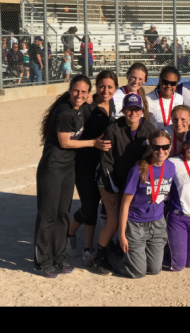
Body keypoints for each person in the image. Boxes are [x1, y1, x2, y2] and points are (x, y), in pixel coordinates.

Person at [34, 75, 111, 278]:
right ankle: (42, 260)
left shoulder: (81, 109)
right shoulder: (64, 112)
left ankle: (59, 257)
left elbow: (98, 109)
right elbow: (66, 142)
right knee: (48, 215)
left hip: (68, 168)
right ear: (70, 90)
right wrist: (93, 143)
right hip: (52, 169)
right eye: (76, 90)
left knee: (62, 214)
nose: (79, 95)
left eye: (83, 92)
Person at [92, 92, 156, 275]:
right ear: (123, 110)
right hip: (109, 180)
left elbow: (150, 160)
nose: (133, 113)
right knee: (114, 220)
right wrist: (113, 191)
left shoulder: (149, 130)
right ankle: (100, 257)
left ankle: (121, 250)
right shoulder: (113, 129)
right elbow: (106, 163)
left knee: (129, 219)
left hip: (132, 183)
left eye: (136, 109)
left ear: (142, 111)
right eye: (129, 109)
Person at [67, 69, 118, 263]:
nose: (106, 90)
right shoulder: (88, 105)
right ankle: (70, 233)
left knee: (95, 205)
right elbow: (70, 105)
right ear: (96, 87)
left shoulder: (112, 104)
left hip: (103, 165)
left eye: (110, 87)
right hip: (85, 163)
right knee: (88, 206)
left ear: (115, 88)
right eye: (102, 86)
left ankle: (87, 248)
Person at [118, 129, 175, 279]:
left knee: (155, 269)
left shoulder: (170, 167)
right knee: (138, 272)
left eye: (165, 147)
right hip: (136, 224)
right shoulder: (137, 170)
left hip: (157, 224)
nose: (160, 151)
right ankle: (110, 257)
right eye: (156, 147)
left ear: (170, 147)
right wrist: (122, 235)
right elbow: (125, 204)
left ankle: (136, 255)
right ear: (151, 148)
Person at [164, 127, 190, 271]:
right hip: (178, 218)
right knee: (178, 266)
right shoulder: (172, 162)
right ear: (184, 146)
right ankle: (156, 255)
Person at [146, 65, 184, 129]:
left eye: (173, 83)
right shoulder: (148, 99)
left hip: (172, 137)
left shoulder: (179, 98)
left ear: (176, 85)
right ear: (160, 82)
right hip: (155, 137)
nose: (169, 86)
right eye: (166, 82)